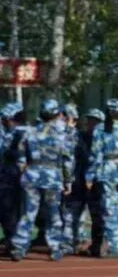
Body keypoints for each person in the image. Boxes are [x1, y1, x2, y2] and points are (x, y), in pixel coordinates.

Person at [9, 98, 73, 262]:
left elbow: (20, 156)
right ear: (56, 114)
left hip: (32, 175)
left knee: (28, 213)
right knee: (53, 213)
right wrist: (68, 181)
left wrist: (25, 170)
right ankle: (55, 247)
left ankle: (19, 247)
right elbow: (67, 160)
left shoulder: (29, 132)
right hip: (52, 177)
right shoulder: (62, 134)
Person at [86, 99, 118, 259]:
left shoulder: (100, 129)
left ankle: (114, 246)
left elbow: (95, 154)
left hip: (108, 169)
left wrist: (89, 176)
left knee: (109, 209)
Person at [61, 108, 104, 255]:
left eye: (95, 121)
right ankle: (69, 243)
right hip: (79, 180)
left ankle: (92, 244)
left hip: (95, 182)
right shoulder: (79, 136)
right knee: (71, 213)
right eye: (90, 120)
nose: (91, 123)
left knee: (96, 216)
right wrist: (68, 126)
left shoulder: (105, 139)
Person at [0, 102, 27, 253]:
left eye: (6, 118)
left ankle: (14, 241)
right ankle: (11, 239)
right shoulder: (7, 133)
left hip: (15, 175)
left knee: (11, 209)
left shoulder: (21, 133)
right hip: (7, 174)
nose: (4, 121)